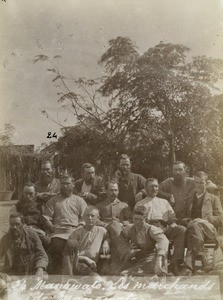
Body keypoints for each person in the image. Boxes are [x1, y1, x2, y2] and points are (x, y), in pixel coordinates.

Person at [135, 178, 186, 275]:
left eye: (156, 186)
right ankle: (158, 265)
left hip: (164, 227)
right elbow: (138, 221)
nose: (154, 189)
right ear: (145, 188)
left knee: (181, 229)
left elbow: (172, 217)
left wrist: (173, 223)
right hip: (149, 229)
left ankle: (176, 261)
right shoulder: (140, 203)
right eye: (151, 186)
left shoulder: (164, 202)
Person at [43, 174, 87, 274]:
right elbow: (47, 219)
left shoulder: (79, 201)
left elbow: (84, 219)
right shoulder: (53, 201)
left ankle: (67, 276)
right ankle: (65, 275)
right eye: (63, 184)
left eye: (67, 183)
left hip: (75, 231)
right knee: (58, 244)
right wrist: (52, 227)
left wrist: (78, 229)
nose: (65, 186)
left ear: (73, 185)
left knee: (71, 243)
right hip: (58, 232)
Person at [183, 171, 223, 274]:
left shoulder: (214, 199)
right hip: (193, 230)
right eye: (196, 182)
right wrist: (187, 220)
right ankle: (201, 262)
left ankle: (190, 266)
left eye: (201, 182)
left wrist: (204, 220)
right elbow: (184, 217)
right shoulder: (189, 199)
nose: (199, 185)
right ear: (194, 183)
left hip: (208, 231)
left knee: (195, 227)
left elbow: (221, 219)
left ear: (206, 183)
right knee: (194, 227)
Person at [120, 205, 169, 276]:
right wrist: (128, 245)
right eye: (135, 219)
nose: (137, 222)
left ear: (145, 219)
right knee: (124, 274)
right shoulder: (129, 228)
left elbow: (163, 240)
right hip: (139, 259)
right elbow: (122, 239)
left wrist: (159, 257)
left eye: (140, 219)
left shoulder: (151, 229)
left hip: (152, 259)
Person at [62, 206, 110, 275]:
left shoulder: (102, 231)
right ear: (83, 217)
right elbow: (69, 256)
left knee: (101, 280)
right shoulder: (76, 233)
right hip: (78, 264)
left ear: (98, 218)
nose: (89, 218)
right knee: (96, 279)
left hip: (93, 265)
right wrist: (85, 259)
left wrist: (107, 242)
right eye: (87, 215)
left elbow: (109, 237)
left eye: (92, 216)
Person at [0, 213, 48, 278]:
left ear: (23, 224)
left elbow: (41, 254)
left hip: (31, 272)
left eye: (17, 224)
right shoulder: (5, 239)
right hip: (12, 274)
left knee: (44, 276)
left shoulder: (32, 235)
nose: (14, 227)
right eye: (12, 224)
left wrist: (40, 268)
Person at [15, 182, 50, 249]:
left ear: (35, 194)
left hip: (38, 231)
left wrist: (43, 232)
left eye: (31, 194)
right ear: (22, 193)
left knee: (47, 241)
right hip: (23, 231)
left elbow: (44, 221)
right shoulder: (19, 205)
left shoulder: (40, 205)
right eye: (25, 193)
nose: (28, 196)